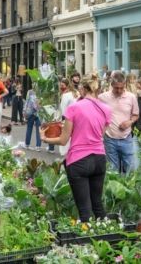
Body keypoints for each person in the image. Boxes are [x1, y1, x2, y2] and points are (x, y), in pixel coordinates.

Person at [41, 74, 112, 222]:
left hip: (79, 160)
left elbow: (63, 140)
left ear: (82, 88)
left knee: (84, 210)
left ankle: (87, 241)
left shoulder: (74, 108)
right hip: (99, 159)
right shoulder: (106, 109)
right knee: (98, 204)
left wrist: (45, 138)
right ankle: (105, 238)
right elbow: (100, 134)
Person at [98, 72, 139, 173]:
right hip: (109, 138)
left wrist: (130, 122)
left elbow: (136, 114)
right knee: (112, 170)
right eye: (116, 88)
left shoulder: (131, 97)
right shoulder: (102, 97)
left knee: (130, 169)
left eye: (121, 87)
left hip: (126, 138)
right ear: (111, 85)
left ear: (125, 84)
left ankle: (128, 187)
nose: (119, 90)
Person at [58, 77, 79, 156]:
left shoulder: (65, 95)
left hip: (67, 120)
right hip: (78, 119)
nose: (61, 87)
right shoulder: (76, 93)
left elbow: (63, 111)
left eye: (62, 85)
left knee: (66, 143)